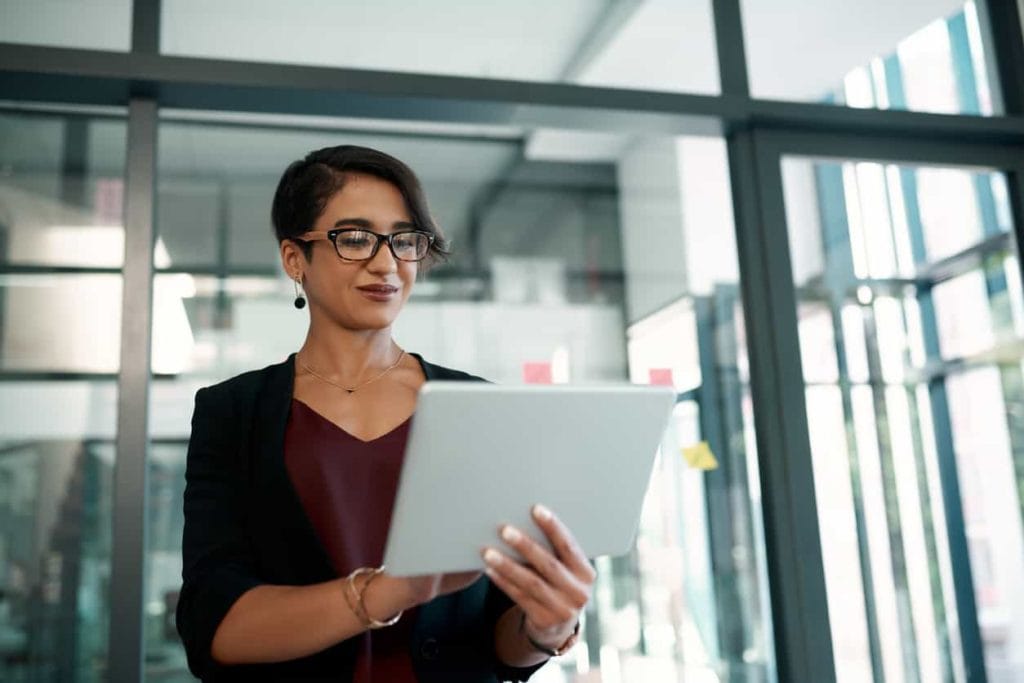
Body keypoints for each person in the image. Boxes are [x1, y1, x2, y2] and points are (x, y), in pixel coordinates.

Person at [175, 145, 596, 682]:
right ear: (294, 258)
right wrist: (387, 592)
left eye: (404, 240)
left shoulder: (481, 407)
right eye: (353, 238)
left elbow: (499, 640)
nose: (386, 262)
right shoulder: (232, 414)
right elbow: (215, 629)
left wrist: (548, 628)